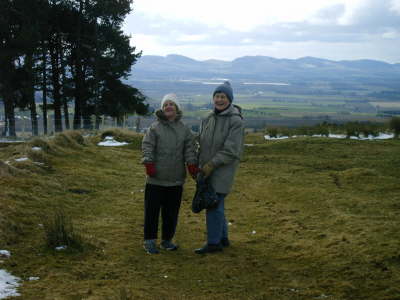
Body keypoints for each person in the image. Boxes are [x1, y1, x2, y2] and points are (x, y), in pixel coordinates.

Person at [142, 93, 198, 254]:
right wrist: (148, 163)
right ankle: (149, 241)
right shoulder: (154, 128)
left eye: (171, 104)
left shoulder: (184, 130)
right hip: (155, 179)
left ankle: (167, 240)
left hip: (175, 180)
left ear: (177, 109)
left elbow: (189, 149)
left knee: (171, 213)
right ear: (162, 108)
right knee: (151, 212)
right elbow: (147, 146)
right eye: (165, 104)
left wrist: (192, 164)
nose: (168, 107)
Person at [195, 81, 244, 254]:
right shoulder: (208, 118)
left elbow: (231, 150)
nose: (219, 99)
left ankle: (214, 243)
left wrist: (212, 164)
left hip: (222, 170)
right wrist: (199, 164)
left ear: (229, 99)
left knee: (213, 204)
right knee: (217, 203)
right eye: (217, 96)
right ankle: (223, 238)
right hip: (207, 169)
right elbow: (201, 143)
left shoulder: (235, 121)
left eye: (223, 97)